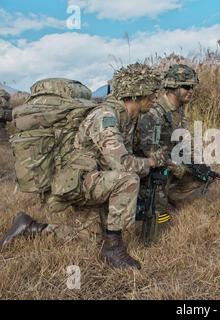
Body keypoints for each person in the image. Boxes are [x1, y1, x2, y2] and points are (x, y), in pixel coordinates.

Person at [0, 63, 168, 269]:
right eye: (151, 93)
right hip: (76, 182)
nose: (155, 99)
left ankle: (30, 227)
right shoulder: (105, 117)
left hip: (90, 178)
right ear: (136, 94)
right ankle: (113, 250)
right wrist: (151, 162)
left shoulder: (128, 117)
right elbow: (124, 164)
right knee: (128, 180)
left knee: (89, 236)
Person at [135, 64, 204, 223]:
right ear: (172, 87)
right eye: (187, 86)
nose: (191, 91)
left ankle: (171, 197)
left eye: (192, 86)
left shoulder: (179, 110)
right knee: (158, 217)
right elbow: (150, 153)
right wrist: (178, 168)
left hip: (168, 162)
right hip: (151, 169)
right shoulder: (154, 113)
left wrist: (196, 163)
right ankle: (152, 199)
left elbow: (184, 141)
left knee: (201, 173)